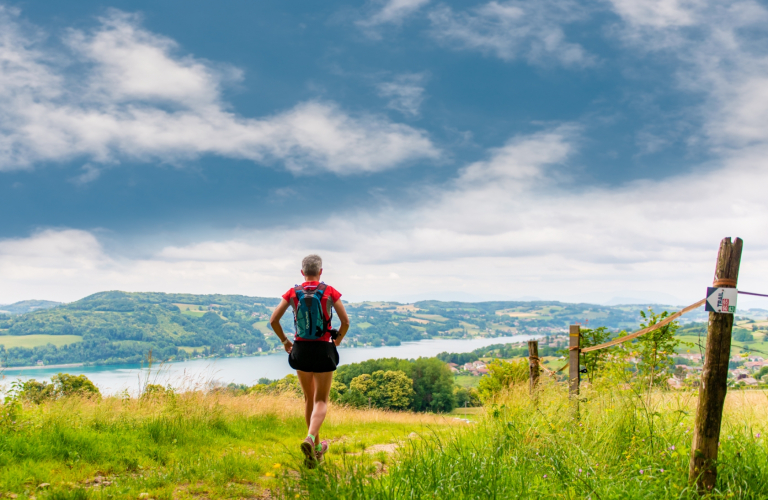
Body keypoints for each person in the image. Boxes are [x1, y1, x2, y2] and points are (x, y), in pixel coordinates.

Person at [269, 254, 350, 467]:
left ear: (302, 272)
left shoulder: (292, 293)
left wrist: (286, 341)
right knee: (321, 401)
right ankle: (311, 438)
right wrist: (337, 340)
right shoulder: (330, 291)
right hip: (323, 348)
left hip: (301, 349)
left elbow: (273, 320)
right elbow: (345, 322)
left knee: (309, 399)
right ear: (321, 271)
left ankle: (314, 450)